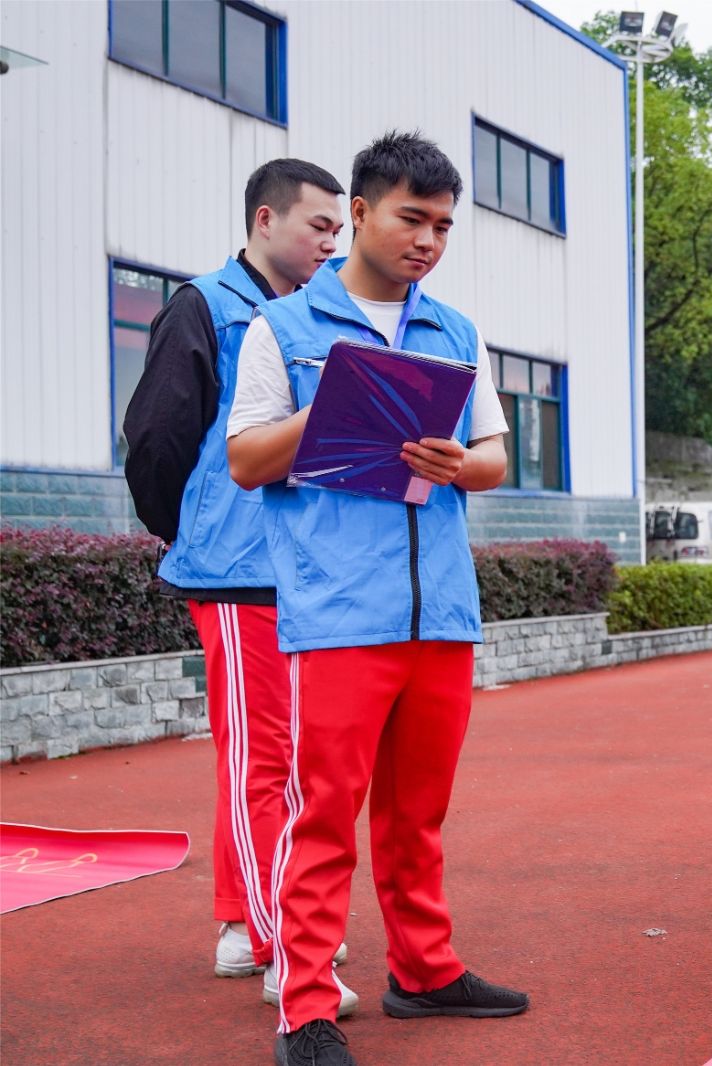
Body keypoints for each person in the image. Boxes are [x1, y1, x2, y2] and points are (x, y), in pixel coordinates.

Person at [227, 132, 527, 1066]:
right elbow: (245, 459)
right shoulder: (284, 328)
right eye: (412, 219)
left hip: (441, 612)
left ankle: (424, 970)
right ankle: (306, 1006)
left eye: (443, 225)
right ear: (359, 214)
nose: (428, 240)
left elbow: (496, 456)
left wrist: (457, 464)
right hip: (338, 616)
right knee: (323, 816)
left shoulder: (457, 332)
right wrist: (332, 409)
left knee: (416, 816)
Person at [122, 159, 355, 1004]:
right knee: (266, 759)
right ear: (265, 219)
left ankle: (238, 919)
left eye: (339, 230)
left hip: (304, 567)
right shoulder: (204, 307)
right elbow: (156, 437)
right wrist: (196, 532)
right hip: (237, 570)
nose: (333, 242)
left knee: (284, 756)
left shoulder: (317, 316)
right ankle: (282, 943)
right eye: (319, 226)